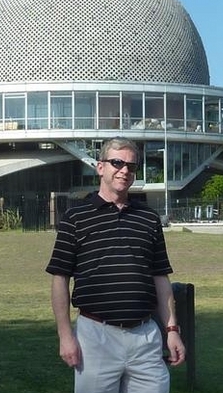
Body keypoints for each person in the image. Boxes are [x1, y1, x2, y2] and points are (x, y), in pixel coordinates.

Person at [46, 137, 185, 393]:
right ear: (101, 167)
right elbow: (60, 279)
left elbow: (160, 278)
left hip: (145, 336)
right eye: (117, 162)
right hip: (96, 337)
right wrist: (65, 336)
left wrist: (172, 329)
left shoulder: (148, 218)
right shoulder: (75, 218)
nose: (124, 170)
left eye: (131, 166)